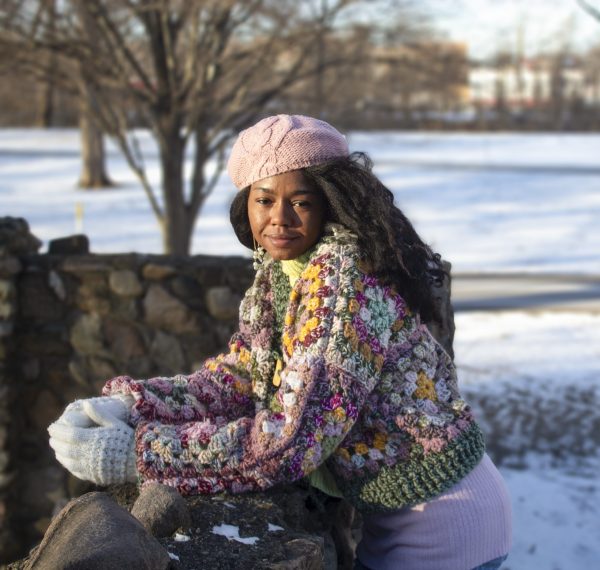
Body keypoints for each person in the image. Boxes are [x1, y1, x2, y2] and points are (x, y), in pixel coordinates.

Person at [49, 114, 512, 570]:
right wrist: (133, 406)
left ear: (331, 202)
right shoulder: (282, 276)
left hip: (446, 527)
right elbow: (238, 378)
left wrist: (137, 455)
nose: (279, 219)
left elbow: (290, 445)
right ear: (244, 205)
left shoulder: (341, 289)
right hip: (399, 523)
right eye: (264, 199)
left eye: (302, 202)